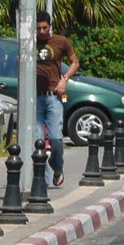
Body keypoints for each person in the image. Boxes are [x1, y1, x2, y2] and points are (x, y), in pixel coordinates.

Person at [36, 12, 78, 185]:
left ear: (50, 25)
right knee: (37, 141)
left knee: (55, 138)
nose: (42, 31)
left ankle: (57, 167)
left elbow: (75, 62)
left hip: (54, 96)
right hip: (36, 97)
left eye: (45, 27)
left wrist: (65, 79)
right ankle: (43, 180)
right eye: (38, 28)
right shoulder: (30, 42)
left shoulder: (60, 41)